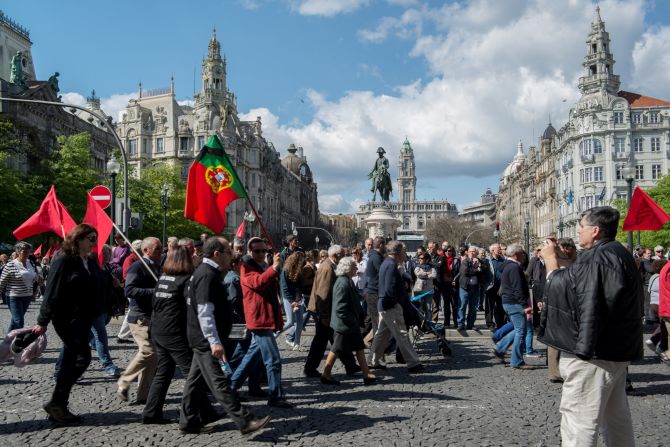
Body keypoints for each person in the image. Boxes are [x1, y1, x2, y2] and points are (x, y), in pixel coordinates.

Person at [539, 206, 643, 446]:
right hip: (615, 350)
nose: (578, 231)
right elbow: (583, 281)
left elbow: (570, 292)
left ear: (595, 230)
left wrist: (551, 262)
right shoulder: (618, 252)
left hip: (593, 354)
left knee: (579, 420)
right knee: (616, 420)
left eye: (581, 226)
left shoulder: (597, 257)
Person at [179, 237, 271, 435]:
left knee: (194, 382)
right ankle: (245, 420)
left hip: (200, 337)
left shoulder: (209, 272)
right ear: (217, 254)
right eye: (229, 251)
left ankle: (188, 421)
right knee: (219, 382)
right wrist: (214, 341)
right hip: (205, 339)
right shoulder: (207, 275)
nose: (233, 254)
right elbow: (204, 311)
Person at [33, 224, 102, 424]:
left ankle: (58, 405)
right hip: (67, 318)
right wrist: (42, 320)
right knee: (82, 357)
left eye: (95, 238)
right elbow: (52, 290)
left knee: (72, 359)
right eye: (90, 238)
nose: (93, 242)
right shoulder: (63, 259)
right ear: (78, 239)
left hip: (84, 317)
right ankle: (57, 401)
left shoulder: (88, 260)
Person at [142, 246, 218, 425]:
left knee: (164, 373)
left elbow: (155, 303)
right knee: (192, 374)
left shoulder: (163, 278)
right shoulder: (185, 280)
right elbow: (191, 308)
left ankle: (151, 412)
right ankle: (203, 413)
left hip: (159, 330)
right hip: (174, 332)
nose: (193, 258)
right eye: (190, 256)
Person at [232, 237, 294, 408]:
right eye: (257, 251)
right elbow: (257, 283)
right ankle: (276, 396)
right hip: (259, 319)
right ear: (250, 252)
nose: (260, 254)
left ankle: (230, 388)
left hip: (266, 316)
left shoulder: (263, 265)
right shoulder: (246, 266)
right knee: (273, 359)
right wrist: (274, 268)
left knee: (252, 358)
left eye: (263, 251)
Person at [117, 237, 162, 405]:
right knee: (149, 351)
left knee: (153, 358)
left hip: (153, 316)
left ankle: (144, 395)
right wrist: (154, 292)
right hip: (139, 317)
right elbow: (129, 290)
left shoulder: (157, 266)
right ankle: (124, 380)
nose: (160, 252)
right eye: (157, 249)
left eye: (161, 249)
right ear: (145, 251)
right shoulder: (137, 266)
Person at [368, 240, 424, 373]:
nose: (405, 254)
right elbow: (389, 289)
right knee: (402, 334)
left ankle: (372, 361)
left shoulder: (389, 263)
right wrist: (396, 302)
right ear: (398, 253)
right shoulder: (391, 265)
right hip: (391, 306)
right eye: (404, 252)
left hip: (385, 304)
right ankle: (413, 363)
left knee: (381, 335)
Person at [320, 256, 377, 386]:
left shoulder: (347, 281)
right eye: (354, 267)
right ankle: (326, 374)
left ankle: (366, 374)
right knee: (336, 349)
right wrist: (352, 320)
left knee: (359, 347)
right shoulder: (342, 282)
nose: (356, 269)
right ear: (347, 269)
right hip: (344, 324)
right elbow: (340, 308)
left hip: (350, 323)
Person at [304, 245, 358, 378]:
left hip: (327, 311)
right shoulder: (327, 268)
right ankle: (311, 368)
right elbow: (323, 293)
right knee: (327, 340)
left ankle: (350, 364)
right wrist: (325, 316)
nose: (344, 257)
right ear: (335, 256)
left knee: (334, 339)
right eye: (342, 255)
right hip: (325, 312)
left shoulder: (330, 265)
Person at [496, 244, 534, 370]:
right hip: (514, 303)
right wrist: (525, 305)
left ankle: (500, 347)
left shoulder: (508, 265)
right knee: (521, 332)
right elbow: (517, 288)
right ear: (516, 255)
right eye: (522, 253)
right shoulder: (514, 267)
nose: (524, 256)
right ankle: (516, 361)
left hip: (509, 302)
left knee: (518, 329)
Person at [90, 245, 122, 378]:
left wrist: (115, 282)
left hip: (106, 307)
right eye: (104, 252)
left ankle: (65, 365)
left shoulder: (108, 267)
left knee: (86, 337)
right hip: (93, 308)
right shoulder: (92, 268)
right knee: (101, 336)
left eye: (109, 252)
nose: (108, 255)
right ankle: (108, 364)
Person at [0, 241, 38, 334]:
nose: (26, 254)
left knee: (15, 321)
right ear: (18, 252)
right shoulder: (10, 265)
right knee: (19, 321)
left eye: (28, 251)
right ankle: (17, 345)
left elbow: (34, 278)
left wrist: (37, 282)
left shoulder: (31, 264)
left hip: (27, 296)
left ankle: (6, 343)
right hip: (14, 296)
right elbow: (2, 282)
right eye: (24, 251)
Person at [280, 251, 306, 351]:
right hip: (288, 298)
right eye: (302, 259)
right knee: (290, 322)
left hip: (298, 298)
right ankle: (274, 334)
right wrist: (292, 301)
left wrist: (300, 297)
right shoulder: (285, 270)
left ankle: (297, 343)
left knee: (300, 321)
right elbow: (284, 288)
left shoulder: (299, 271)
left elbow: (301, 286)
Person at [454, 246, 481, 331]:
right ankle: (460, 324)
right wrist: (477, 269)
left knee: (473, 307)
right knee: (462, 306)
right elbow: (465, 272)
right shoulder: (465, 261)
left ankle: (471, 324)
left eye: (474, 251)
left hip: (475, 287)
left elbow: (484, 271)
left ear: (476, 253)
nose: (472, 253)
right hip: (465, 287)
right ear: (467, 252)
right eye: (470, 251)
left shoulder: (479, 261)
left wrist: (480, 266)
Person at [364, 237, 386, 337]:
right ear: (381, 245)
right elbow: (383, 273)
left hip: (373, 292)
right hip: (374, 292)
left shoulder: (375, 256)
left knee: (372, 319)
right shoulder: (376, 257)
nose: (385, 247)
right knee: (376, 322)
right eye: (384, 245)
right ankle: (376, 348)